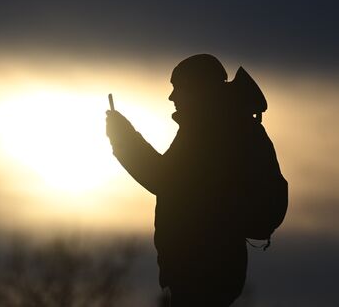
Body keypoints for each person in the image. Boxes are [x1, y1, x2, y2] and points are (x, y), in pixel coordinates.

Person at [106, 54, 286, 306]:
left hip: (202, 265)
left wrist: (122, 138)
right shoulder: (225, 123)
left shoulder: (212, 129)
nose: (172, 97)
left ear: (197, 88)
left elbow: (163, 179)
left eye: (178, 88)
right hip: (214, 265)